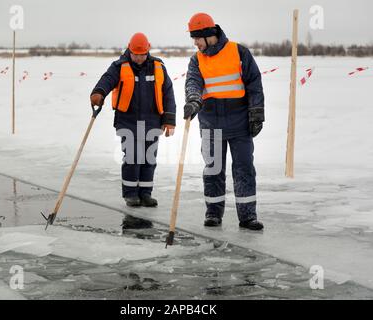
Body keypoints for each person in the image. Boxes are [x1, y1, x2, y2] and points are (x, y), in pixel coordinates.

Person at [184, 13, 265, 230]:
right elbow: (193, 83)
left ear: (208, 34)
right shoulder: (196, 59)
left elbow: (254, 83)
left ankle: (248, 216)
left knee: (244, 168)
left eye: (196, 38)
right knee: (213, 169)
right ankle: (213, 213)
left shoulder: (239, 52)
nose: (195, 42)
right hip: (211, 122)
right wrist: (193, 101)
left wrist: (256, 112)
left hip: (239, 122)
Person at [90, 33, 176, 207]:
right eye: (135, 54)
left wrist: (169, 119)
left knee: (149, 158)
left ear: (148, 51)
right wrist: (98, 93)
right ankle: (130, 194)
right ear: (129, 50)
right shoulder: (119, 66)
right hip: (128, 121)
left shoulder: (158, 66)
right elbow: (107, 80)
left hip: (153, 121)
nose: (138, 58)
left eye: (142, 54)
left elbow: (168, 93)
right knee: (133, 157)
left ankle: (145, 193)